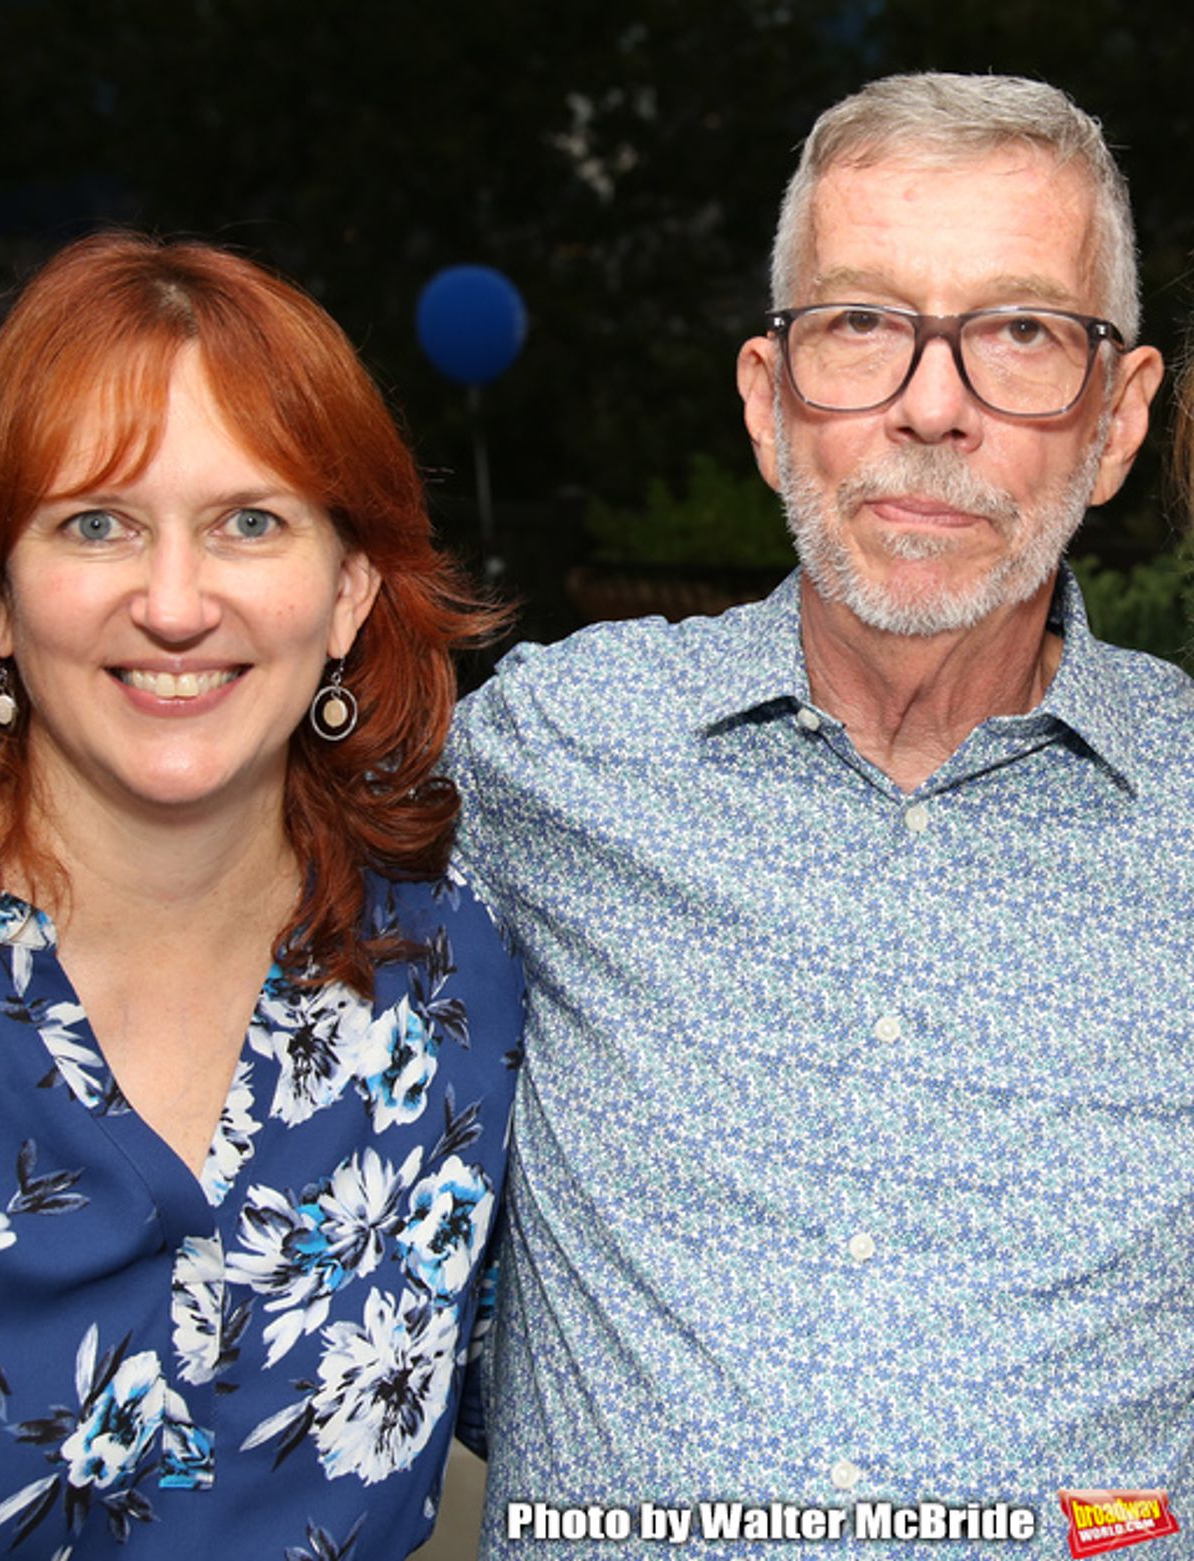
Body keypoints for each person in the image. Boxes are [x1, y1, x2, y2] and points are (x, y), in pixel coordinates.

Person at [446, 74, 1191, 1556]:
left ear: (1115, 423)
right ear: (768, 405)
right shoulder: (547, 754)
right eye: (861, 324)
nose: (931, 405)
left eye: (1022, 332)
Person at [0, 233, 522, 1559]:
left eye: (251, 520)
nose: (174, 603)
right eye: (95, 523)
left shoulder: (458, 973)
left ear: (349, 586)